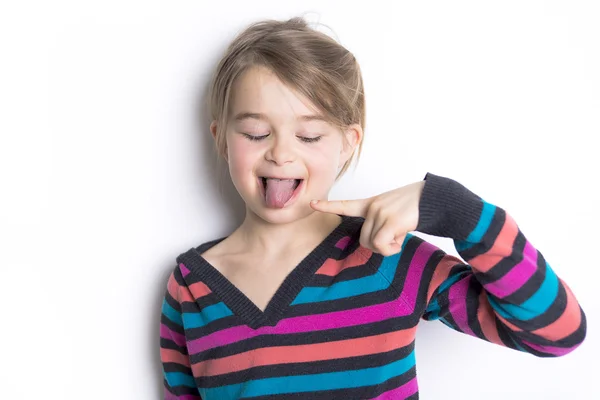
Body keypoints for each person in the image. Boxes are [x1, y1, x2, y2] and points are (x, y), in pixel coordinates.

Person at [159, 16, 586, 400]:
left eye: (308, 136)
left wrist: (456, 211)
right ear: (220, 138)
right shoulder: (191, 284)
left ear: (348, 142)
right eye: (255, 133)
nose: (280, 154)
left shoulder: (386, 257)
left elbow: (557, 333)